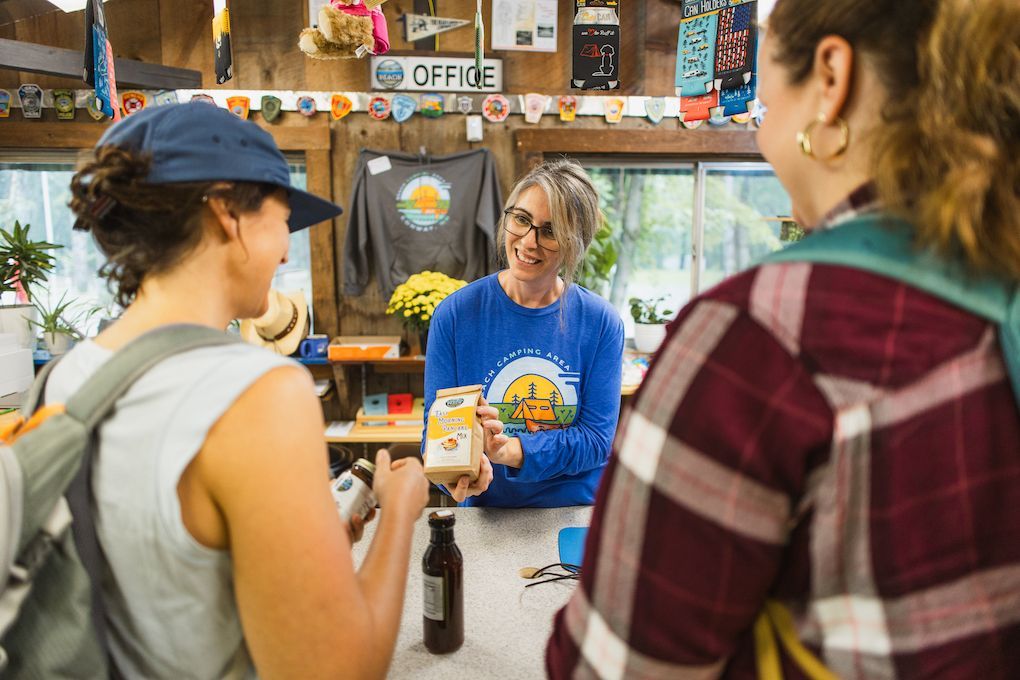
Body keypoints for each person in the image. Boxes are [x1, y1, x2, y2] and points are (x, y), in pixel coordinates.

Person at [548, 0, 1019, 677]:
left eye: (764, 99)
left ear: (831, 78)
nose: (760, 121)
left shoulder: (758, 336)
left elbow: (610, 669)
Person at [47, 102, 430, 678]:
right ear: (228, 212)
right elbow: (340, 671)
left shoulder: (68, 375)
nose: (285, 248)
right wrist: (401, 511)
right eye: (283, 218)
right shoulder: (258, 393)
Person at [423, 160, 625, 507]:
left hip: (572, 513)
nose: (529, 242)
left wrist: (512, 450)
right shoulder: (455, 315)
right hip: (490, 512)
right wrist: (456, 477)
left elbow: (596, 440)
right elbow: (437, 434)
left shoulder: (600, 322)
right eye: (521, 219)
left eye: (550, 231)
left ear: (575, 244)